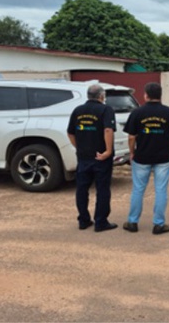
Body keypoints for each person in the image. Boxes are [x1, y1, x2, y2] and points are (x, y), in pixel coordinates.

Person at [122, 82, 169, 235]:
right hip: (163, 157)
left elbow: (131, 137)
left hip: (142, 157)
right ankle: (158, 224)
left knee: (138, 189)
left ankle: (132, 222)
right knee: (161, 190)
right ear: (160, 95)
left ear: (146, 95)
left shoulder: (137, 113)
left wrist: (132, 153)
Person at [67, 84, 118, 232]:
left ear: (88, 96)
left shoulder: (78, 110)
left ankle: (83, 220)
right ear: (101, 96)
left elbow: (70, 133)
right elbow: (108, 129)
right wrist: (108, 151)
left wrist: (79, 147)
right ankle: (101, 222)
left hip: (84, 157)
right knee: (102, 189)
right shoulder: (105, 109)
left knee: (82, 189)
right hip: (101, 157)